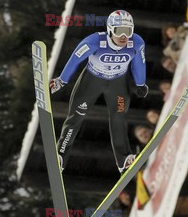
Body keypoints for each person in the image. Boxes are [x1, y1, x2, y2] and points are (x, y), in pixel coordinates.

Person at [50, 10, 148, 175]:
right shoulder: (94, 42)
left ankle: (123, 159)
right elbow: (75, 59)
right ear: (110, 30)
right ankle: (60, 154)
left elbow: (139, 63)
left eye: (128, 31)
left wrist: (140, 83)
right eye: (119, 31)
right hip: (92, 81)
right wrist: (62, 80)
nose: (124, 36)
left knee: (118, 116)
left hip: (117, 83)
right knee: (76, 116)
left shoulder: (136, 43)